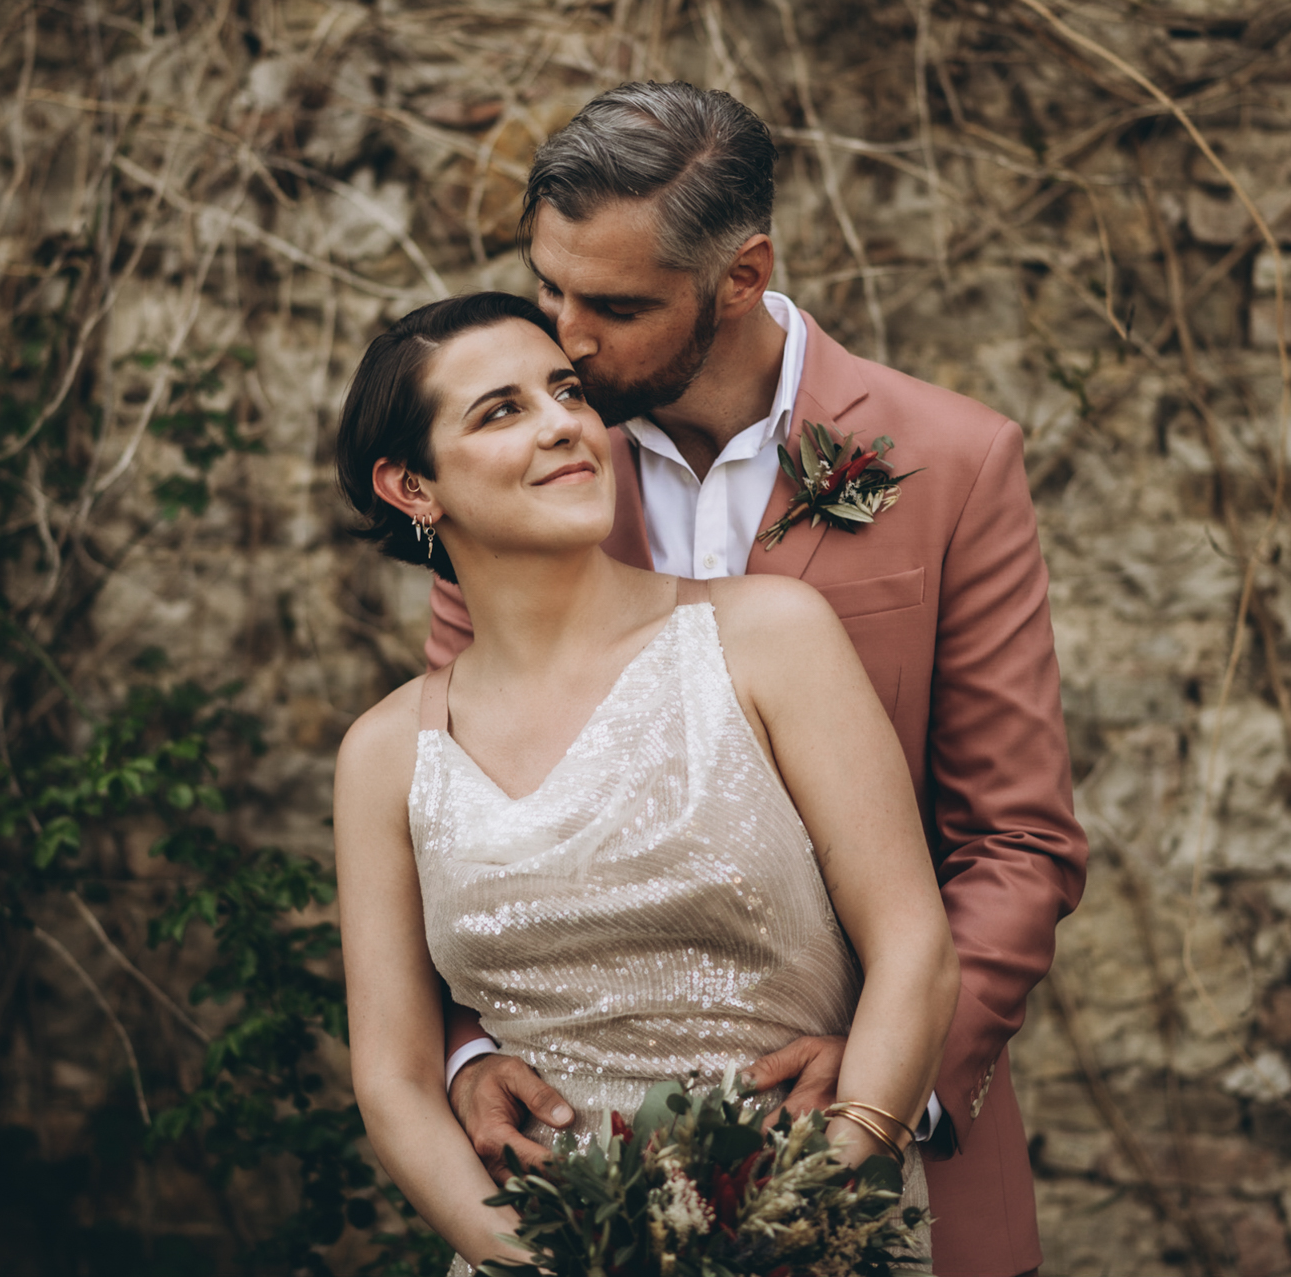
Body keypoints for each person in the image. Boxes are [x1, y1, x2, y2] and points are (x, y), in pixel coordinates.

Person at [422, 83, 1087, 1277]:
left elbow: (1018, 841)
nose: (565, 340)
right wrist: (470, 1054)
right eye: (549, 289)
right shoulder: (518, 477)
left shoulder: (953, 463)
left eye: (615, 306)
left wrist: (887, 1074)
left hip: (886, 1159)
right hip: (586, 1180)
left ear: (740, 277)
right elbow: (458, 811)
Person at [332, 290, 960, 1271]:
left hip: (802, 1230)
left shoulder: (770, 640)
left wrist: (809, 1203)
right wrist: (534, 1260)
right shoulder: (384, 755)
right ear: (411, 486)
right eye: (502, 411)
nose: (563, 425)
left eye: (568, 391)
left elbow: (914, 943)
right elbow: (396, 1081)